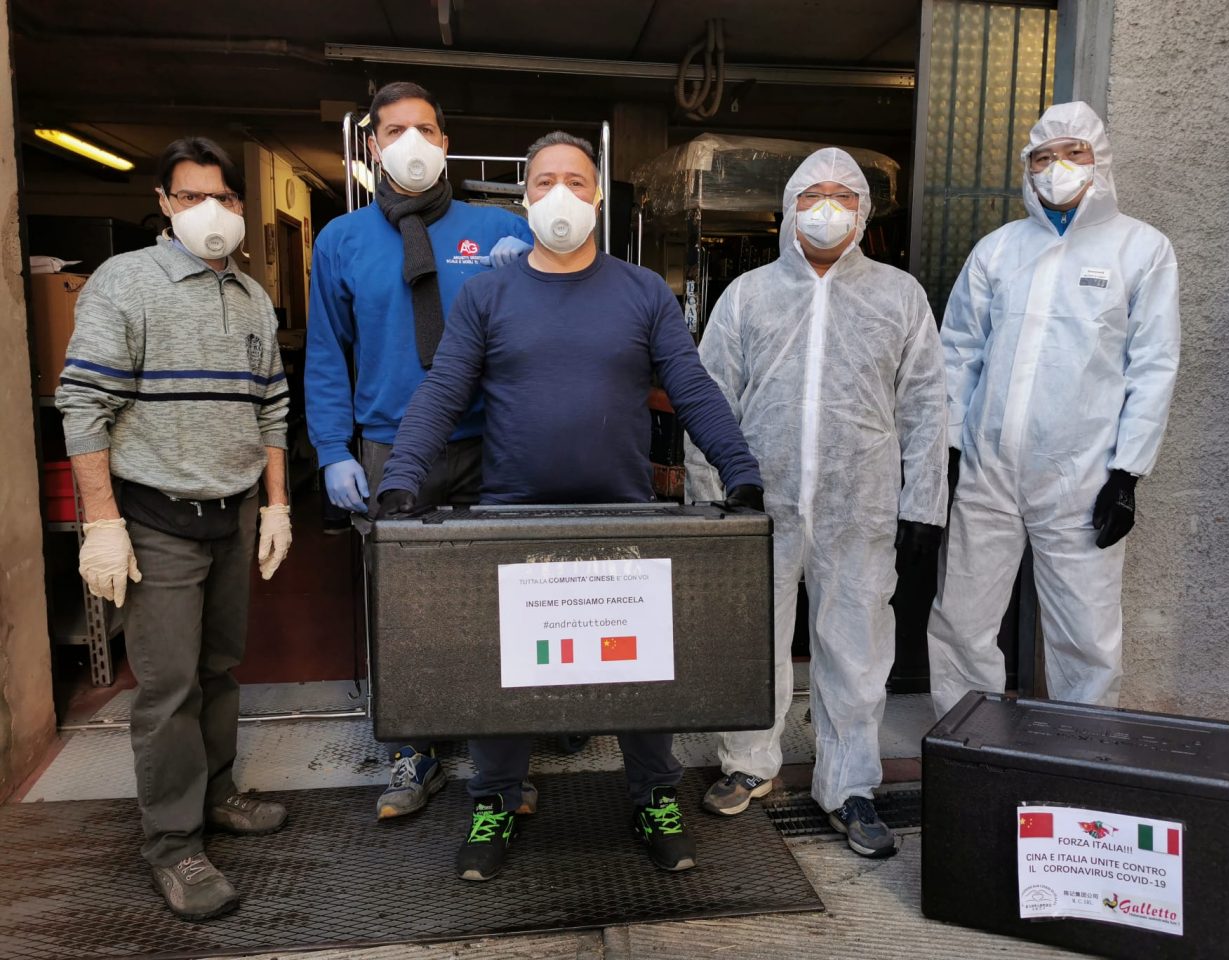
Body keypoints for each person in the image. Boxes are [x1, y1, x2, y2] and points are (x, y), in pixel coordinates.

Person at [376, 130, 764, 882]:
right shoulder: (488, 294)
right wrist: (404, 475)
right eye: (545, 181)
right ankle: (495, 800)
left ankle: (654, 796)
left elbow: (691, 386)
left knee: (641, 669)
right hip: (513, 520)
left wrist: (738, 471)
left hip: (623, 516)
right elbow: (444, 389)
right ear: (525, 199)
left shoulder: (641, 292)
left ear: (598, 196)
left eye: (576, 181)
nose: (561, 193)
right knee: (507, 672)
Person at [55, 137, 293, 920]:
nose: (208, 211)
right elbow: (83, 403)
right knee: (168, 688)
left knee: (220, 667)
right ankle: (171, 844)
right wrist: (103, 522)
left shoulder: (252, 296)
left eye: (222, 197)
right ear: (163, 203)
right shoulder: (126, 282)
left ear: (239, 206)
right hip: (157, 516)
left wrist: (278, 504)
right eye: (190, 197)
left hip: (234, 512)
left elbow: (271, 406)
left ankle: (216, 794)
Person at [685, 148, 947, 859]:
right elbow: (710, 398)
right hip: (758, 504)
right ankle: (748, 761)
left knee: (856, 650)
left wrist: (924, 503)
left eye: (842, 195)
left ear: (864, 211)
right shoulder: (748, 295)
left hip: (859, 508)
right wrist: (710, 498)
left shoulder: (899, 296)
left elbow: (927, 404)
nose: (826, 208)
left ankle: (850, 785)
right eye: (812, 195)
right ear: (789, 208)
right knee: (752, 638)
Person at [305, 81, 534, 821]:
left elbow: (542, 332)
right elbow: (327, 352)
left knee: (498, 603)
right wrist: (332, 447)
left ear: (446, 141)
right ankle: (414, 747)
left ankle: (502, 756)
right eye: (396, 129)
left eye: (426, 129)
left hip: (490, 446)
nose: (412, 142)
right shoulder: (341, 241)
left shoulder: (501, 229)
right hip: (391, 450)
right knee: (403, 607)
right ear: (373, 145)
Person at [927, 101, 1180, 717]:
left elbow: (1153, 365)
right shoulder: (998, 250)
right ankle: (967, 744)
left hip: (1082, 475)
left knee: (1084, 635)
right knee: (962, 620)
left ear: (1100, 161)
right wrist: (949, 446)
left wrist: (1127, 472)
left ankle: (1081, 754)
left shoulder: (1141, 250)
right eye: (1043, 157)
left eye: (1074, 153)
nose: (1057, 167)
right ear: (1027, 168)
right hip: (987, 470)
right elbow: (958, 353)